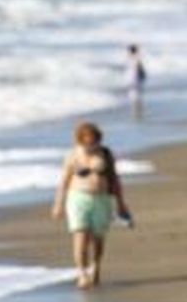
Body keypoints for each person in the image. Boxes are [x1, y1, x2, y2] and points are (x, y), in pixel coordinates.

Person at [53, 122, 133, 289]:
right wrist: (58, 204)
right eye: (87, 143)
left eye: (94, 142)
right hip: (78, 198)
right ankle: (82, 272)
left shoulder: (105, 154)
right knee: (80, 235)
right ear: (80, 141)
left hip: (101, 199)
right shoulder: (72, 156)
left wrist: (121, 203)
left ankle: (95, 266)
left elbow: (114, 179)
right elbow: (64, 182)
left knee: (97, 238)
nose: (91, 146)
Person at [126, 45, 147, 111]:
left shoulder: (133, 58)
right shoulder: (135, 58)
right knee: (137, 93)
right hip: (134, 77)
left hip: (134, 77)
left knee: (134, 93)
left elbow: (138, 68)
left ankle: (136, 108)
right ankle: (137, 108)